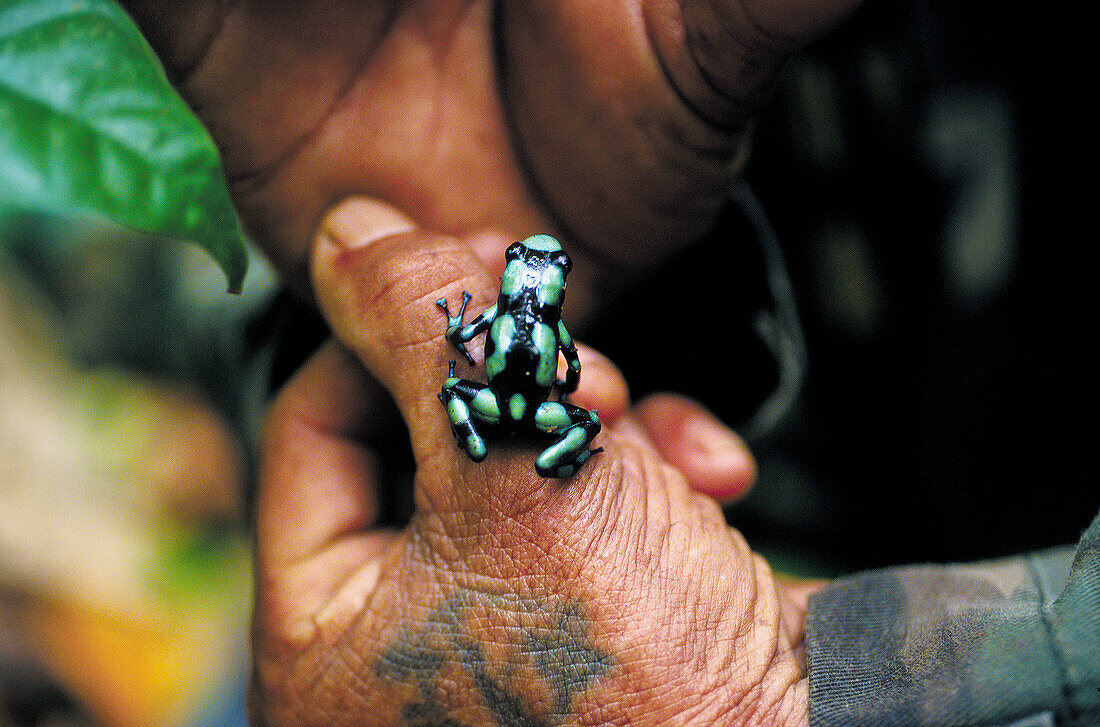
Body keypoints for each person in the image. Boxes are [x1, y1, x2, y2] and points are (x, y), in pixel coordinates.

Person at [119, 1, 1099, 725]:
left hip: (835, 602)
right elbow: (478, 349)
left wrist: (787, 698)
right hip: (624, 479)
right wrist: (620, 313)